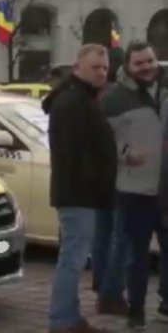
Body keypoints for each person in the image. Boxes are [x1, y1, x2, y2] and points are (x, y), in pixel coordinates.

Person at [42, 44, 117, 333]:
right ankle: (63, 320)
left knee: (73, 259)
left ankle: (69, 317)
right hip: (78, 195)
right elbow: (73, 153)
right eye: (95, 67)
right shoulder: (73, 102)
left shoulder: (83, 98)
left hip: (82, 193)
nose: (101, 73)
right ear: (78, 68)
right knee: (72, 261)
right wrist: (95, 182)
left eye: (104, 68)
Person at [103, 42, 168, 329]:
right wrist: (125, 153)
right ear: (128, 66)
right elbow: (103, 139)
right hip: (134, 191)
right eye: (139, 63)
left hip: (166, 189)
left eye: (150, 61)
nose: (146, 67)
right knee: (136, 257)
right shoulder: (115, 97)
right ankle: (136, 313)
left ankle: (166, 307)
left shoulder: (165, 92)